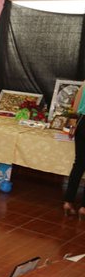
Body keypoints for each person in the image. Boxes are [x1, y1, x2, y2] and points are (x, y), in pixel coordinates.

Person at [64, 85, 85, 218]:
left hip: (83, 123)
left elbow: (76, 106)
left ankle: (68, 202)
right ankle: (83, 208)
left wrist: (72, 126)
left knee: (78, 164)